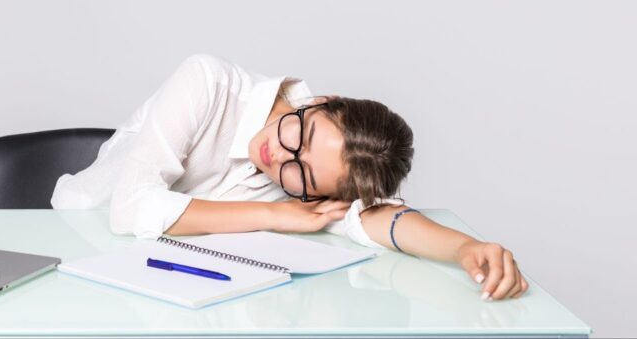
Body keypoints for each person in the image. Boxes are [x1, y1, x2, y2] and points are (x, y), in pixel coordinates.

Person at [51, 52, 528, 301]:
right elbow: (130, 208)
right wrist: (273, 215)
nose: (279, 155)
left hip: (158, 276)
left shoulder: (307, 188)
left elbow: (381, 221)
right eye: (300, 132)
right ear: (321, 100)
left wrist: (466, 248)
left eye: (301, 173)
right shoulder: (208, 83)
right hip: (69, 245)